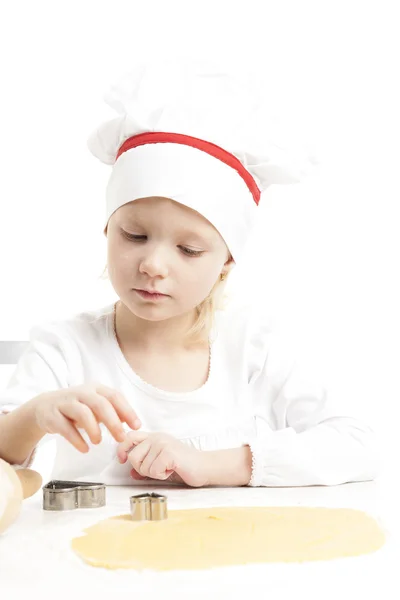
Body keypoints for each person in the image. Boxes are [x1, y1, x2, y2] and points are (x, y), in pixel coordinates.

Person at [0, 61, 379, 487]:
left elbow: (356, 445)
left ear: (226, 261)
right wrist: (34, 416)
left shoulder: (255, 344)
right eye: (135, 235)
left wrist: (213, 464)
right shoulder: (65, 348)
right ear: (107, 230)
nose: (153, 265)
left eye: (189, 249)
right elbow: (5, 456)